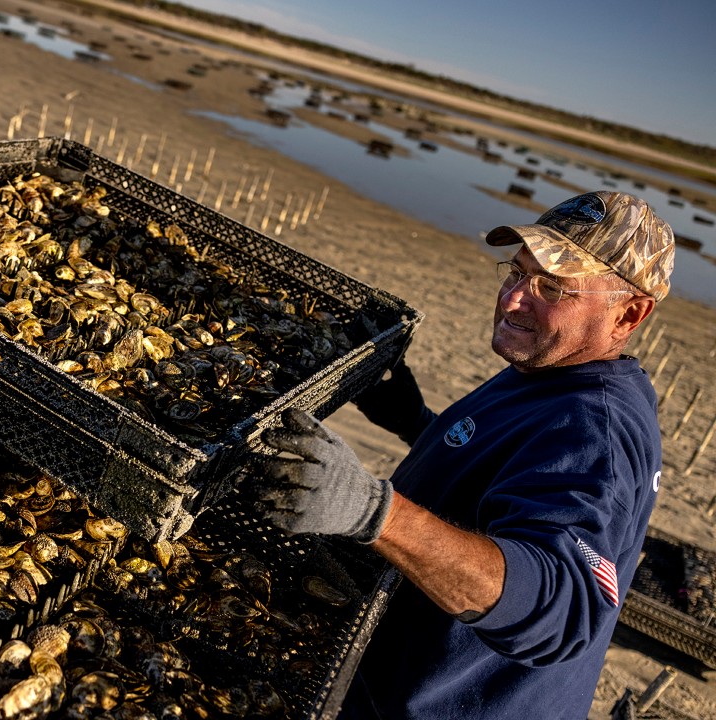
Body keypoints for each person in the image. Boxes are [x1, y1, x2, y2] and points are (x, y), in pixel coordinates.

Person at [243, 190, 675, 719]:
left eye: (552, 288)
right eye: (516, 273)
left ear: (628, 314)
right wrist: (416, 423)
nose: (514, 300)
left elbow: (562, 610)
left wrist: (375, 511)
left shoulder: (594, 428)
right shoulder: (549, 366)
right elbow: (506, 487)